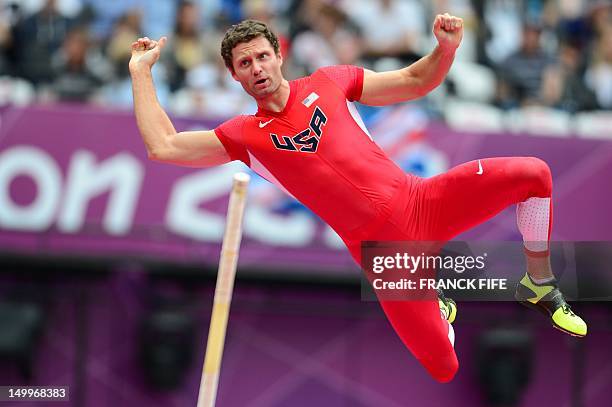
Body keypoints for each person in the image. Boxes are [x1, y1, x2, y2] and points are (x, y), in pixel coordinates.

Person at [129, 16, 587, 383]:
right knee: (444, 368)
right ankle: (435, 296)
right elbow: (164, 146)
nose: (258, 69)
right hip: (384, 257)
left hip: (423, 201)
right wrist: (140, 73)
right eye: (245, 64)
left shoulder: (330, 81)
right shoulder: (243, 136)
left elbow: (413, 80)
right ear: (234, 75)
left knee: (535, 175)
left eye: (263, 57)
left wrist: (445, 50)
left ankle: (539, 281)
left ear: (279, 55)